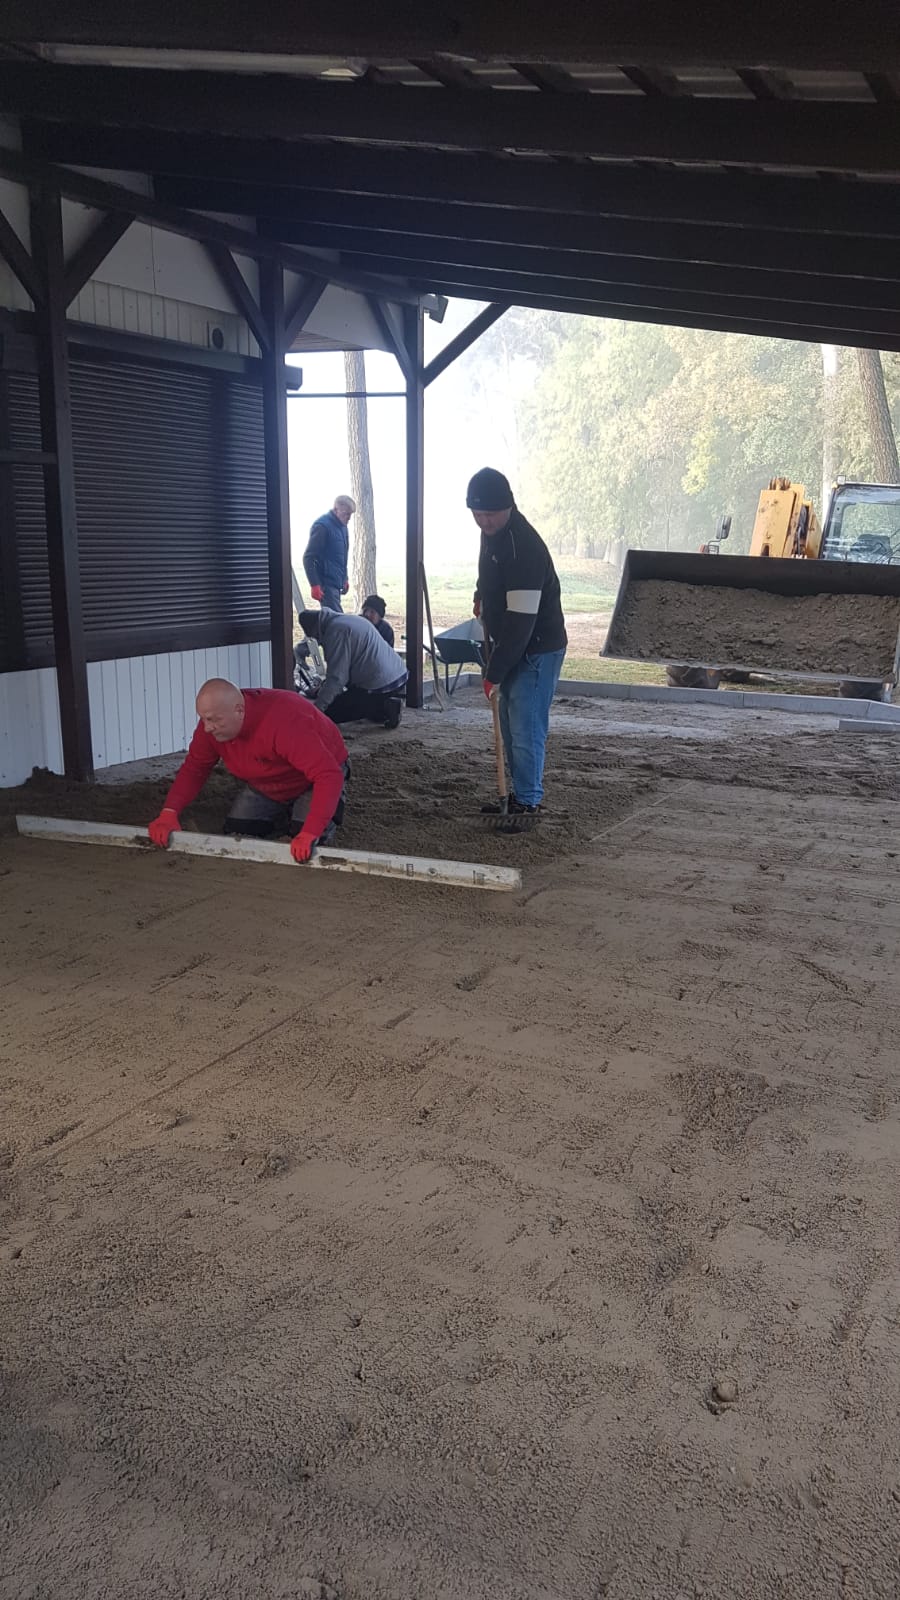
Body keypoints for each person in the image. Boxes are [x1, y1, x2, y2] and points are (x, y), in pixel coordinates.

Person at [147, 679, 349, 863]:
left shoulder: (284, 721)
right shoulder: (212, 725)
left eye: (214, 720)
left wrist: (310, 832)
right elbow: (195, 768)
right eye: (203, 719)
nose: (207, 728)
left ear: (239, 710)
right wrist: (169, 811)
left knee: (307, 840)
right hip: (266, 782)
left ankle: (304, 814)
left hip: (311, 778)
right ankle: (286, 812)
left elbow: (328, 775)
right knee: (239, 831)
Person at [468, 467, 567, 834]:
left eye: (491, 514)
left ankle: (528, 802)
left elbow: (521, 623)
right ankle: (517, 794)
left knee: (525, 728)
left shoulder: (524, 547)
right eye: (478, 514)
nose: (484, 521)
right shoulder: (491, 535)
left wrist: (494, 672)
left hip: (536, 648)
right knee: (508, 727)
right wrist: (481, 595)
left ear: (508, 506)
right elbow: (488, 574)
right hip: (510, 642)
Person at [298, 608, 407, 729]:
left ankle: (386, 706)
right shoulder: (348, 619)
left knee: (330, 713)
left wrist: (317, 709)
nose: (318, 641)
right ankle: (383, 705)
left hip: (381, 684)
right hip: (398, 676)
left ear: (316, 628)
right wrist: (323, 688)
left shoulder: (336, 632)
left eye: (315, 636)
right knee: (348, 700)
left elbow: (337, 678)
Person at [302, 495, 355, 612]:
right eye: (346, 514)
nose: (349, 518)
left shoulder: (343, 528)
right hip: (326, 584)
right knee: (337, 620)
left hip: (336, 583)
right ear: (336, 510)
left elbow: (342, 557)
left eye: (351, 515)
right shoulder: (322, 527)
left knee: (333, 619)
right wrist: (314, 584)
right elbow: (308, 557)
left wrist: (344, 578)